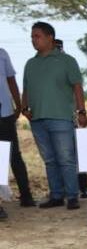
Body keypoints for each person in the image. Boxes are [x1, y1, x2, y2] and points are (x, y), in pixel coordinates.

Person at [21, 22, 87, 210]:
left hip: (61, 118)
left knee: (66, 158)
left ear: (50, 37)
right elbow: (26, 88)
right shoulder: (30, 63)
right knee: (49, 159)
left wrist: (82, 111)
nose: (34, 40)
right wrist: (24, 107)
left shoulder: (67, 61)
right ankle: (56, 195)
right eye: (32, 37)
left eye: (37, 36)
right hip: (37, 120)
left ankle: (72, 196)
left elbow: (77, 87)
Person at [0, 47, 35, 219]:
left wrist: (18, 103)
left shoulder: (2, 53)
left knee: (14, 155)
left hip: (4, 113)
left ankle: (26, 195)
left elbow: (11, 80)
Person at [54, 38, 87, 199]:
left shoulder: (68, 64)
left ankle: (83, 188)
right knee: (59, 157)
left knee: (77, 156)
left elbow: (78, 91)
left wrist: (81, 113)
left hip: (72, 119)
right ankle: (62, 188)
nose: (58, 50)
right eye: (56, 47)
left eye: (59, 47)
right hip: (56, 118)